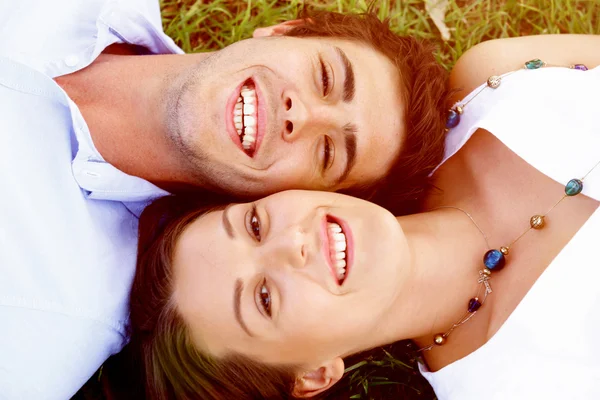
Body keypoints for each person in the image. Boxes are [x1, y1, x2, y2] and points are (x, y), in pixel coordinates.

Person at [0, 2, 449, 398]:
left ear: (296, 193)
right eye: (325, 77)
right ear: (286, 30)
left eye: (328, 152)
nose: (303, 114)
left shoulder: (53, 324)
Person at [106, 42, 600, 399]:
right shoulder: (519, 387)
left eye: (255, 225)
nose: (290, 245)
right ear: (313, 374)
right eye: (264, 297)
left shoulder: (492, 81)